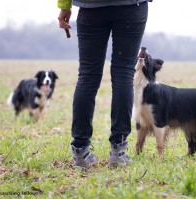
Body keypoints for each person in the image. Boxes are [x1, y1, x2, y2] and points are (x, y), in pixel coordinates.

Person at [57, 0, 150, 168]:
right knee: (123, 73)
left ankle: (80, 152)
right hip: (131, 7)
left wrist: (64, 6)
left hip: (91, 8)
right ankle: (118, 151)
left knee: (87, 76)